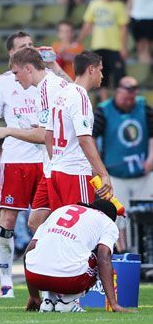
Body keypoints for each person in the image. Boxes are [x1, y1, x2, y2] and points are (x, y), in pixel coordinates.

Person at [0, 32, 44, 299]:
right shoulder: (3, 83)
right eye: (22, 47)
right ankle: (6, 279)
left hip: (45, 159)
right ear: (11, 55)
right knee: (8, 219)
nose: (29, 50)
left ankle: (45, 273)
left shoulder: (47, 79)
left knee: (45, 221)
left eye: (31, 45)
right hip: (16, 160)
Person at [0, 48, 71, 232]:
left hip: (64, 166)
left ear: (28, 68)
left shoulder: (46, 88)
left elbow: (43, 136)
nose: (16, 79)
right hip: (50, 164)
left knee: (65, 221)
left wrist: (9, 131)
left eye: (16, 73)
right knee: (36, 222)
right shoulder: (51, 85)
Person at [24, 199, 131, 313]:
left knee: (53, 251)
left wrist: (34, 296)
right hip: (69, 281)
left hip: (35, 277)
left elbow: (28, 252)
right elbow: (103, 258)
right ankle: (66, 302)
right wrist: (113, 304)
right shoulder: (108, 223)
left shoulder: (61, 210)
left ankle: (49, 300)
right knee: (97, 255)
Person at [45, 51, 113, 212]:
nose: (102, 75)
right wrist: (103, 174)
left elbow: (48, 135)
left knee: (60, 228)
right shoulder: (80, 97)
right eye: (100, 70)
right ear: (91, 69)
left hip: (56, 171)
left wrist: (57, 161)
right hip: (75, 173)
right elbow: (84, 139)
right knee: (79, 228)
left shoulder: (61, 93)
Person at [93, 76, 153, 252]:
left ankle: (145, 252)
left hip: (144, 174)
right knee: (120, 217)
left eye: (131, 98)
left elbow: (152, 135)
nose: (129, 102)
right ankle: (124, 251)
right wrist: (98, 167)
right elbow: (91, 139)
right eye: (125, 98)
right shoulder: (104, 111)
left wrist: (151, 159)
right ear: (118, 91)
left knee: (146, 214)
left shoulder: (144, 107)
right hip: (115, 174)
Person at [77, 0, 128, 100]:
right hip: (98, 46)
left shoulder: (119, 5)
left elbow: (123, 28)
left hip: (115, 47)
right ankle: (105, 104)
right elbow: (88, 24)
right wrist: (79, 40)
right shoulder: (94, 4)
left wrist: (123, 47)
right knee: (101, 77)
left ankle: (118, 102)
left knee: (118, 77)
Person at [128, 0, 153, 64]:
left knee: (150, 46)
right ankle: (145, 73)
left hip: (150, 16)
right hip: (136, 16)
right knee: (141, 47)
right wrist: (128, 10)